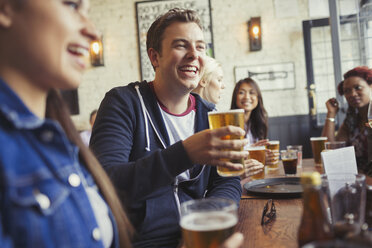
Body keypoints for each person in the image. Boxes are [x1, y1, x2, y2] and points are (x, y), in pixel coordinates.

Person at [90, 8, 247, 248]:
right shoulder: (123, 103)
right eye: (181, 45)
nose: (194, 55)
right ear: (155, 57)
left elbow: (228, 180)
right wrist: (184, 153)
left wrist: (207, 221)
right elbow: (106, 183)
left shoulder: (210, 113)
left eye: (201, 46)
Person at [0, 0, 133, 247]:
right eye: (72, 5)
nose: (93, 32)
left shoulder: (59, 138)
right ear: (5, 8)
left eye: (87, 12)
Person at [322, 66, 372, 173]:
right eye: (347, 91)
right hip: (357, 178)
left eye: (358, 87)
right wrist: (331, 114)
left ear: (371, 86)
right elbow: (330, 150)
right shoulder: (352, 120)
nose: (352, 94)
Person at [230, 78, 278, 167]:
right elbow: (229, 159)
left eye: (252, 93)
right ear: (235, 97)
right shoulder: (229, 124)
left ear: (258, 98)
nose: (247, 97)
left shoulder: (258, 122)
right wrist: (255, 155)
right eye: (241, 92)